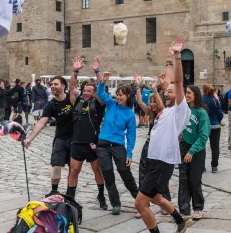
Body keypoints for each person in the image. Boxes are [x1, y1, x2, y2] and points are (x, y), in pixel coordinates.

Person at [134, 35, 190, 233]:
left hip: (162, 162)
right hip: (154, 160)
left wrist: (176, 56)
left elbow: (178, 82)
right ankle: (179, 219)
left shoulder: (180, 111)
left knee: (141, 203)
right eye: (164, 91)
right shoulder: (165, 112)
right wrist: (150, 87)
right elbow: (159, 96)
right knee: (156, 198)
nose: (167, 92)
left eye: (169, 91)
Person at [90, 59, 139, 215]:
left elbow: (131, 135)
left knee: (125, 174)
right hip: (103, 145)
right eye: (117, 94)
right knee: (108, 174)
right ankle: (115, 204)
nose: (118, 97)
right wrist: (99, 76)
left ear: (127, 96)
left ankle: (139, 200)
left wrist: (129, 153)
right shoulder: (111, 104)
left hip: (118, 146)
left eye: (121, 95)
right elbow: (100, 94)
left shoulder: (130, 114)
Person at [67, 56, 107, 209]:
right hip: (77, 143)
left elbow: (102, 87)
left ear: (95, 92)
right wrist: (75, 71)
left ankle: (101, 195)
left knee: (97, 170)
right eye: (85, 90)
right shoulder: (77, 101)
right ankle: (70, 196)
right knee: (74, 170)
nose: (86, 93)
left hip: (93, 144)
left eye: (89, 91)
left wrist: (98, 72)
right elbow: (72, 87)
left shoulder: (98, 103)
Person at [24, 76, 74, 197]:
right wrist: (30, 138)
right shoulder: (51, 104)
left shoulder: (72, 99)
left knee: (73, 168)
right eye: (51, 84)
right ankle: (54, 190)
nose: (52, 86)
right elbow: (41, 123)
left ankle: (70, 193)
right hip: (60, 138)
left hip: (74, 139)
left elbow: (74, 85)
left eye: (56, 84)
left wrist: (75, 71)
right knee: (56, 165)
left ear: (63, 86)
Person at [135, 74, 171, 218]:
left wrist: (155, 90)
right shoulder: (150, 113)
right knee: (143, 173)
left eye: (154, 101)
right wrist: (138, 85)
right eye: (151, 102)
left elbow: (161, 107)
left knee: (160, 176)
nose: (152, 104)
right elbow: (139, 102)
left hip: (160, 148)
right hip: (148, 146)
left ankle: (165, 202)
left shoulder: (163, 114)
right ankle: (144, 204)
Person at [178, 85, 210, 220]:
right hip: (184, 146)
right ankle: (184, 209)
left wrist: (192, 151)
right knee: (183, 179)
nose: (187, 95)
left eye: (189, 93)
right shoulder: (184, 110)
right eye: (186, 92)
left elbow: (203, 135)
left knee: (194, 180)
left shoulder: (201, 112)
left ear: (196, 95)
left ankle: (198, 207)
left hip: (196, 150)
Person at [203, 83, 224, 172]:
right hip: (215, 125)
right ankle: (214, 166)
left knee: (201, 146)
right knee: (215, 147)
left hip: (203, 125)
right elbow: (220, 113)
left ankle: (201, 166)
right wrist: (218, 120)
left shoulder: (201, 98)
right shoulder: (214, 100)